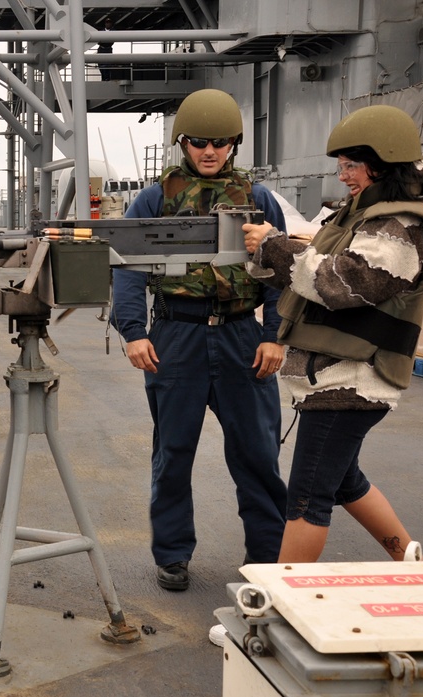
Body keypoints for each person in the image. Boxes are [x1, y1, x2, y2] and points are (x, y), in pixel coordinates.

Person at [242, 105, 423, 563]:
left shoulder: (398, 225)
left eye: (351, 165)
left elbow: (342, 284)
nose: (343, 176)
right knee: (344, 480)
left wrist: (275, 245)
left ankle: (275, 611)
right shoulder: (360, 217)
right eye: (342, 166)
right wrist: (266, 254)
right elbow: (309, 273)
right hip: (336, 379)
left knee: (307, 497)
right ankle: (411, 560)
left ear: (383, 161)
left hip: (351, 382)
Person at [112, 89, 289, 591]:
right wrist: (133, 332)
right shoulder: (155, 198)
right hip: (177, 335)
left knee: (257, 453)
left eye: (220, 143)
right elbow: (126, 266)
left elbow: (280, 268)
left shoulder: (258, 199)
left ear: (233, 144)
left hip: (241, 335)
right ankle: (172, 554)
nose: (209, 152)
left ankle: (268, 558)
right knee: (173, 452)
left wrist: (274, 336)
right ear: (182, 143)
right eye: (198, 143)